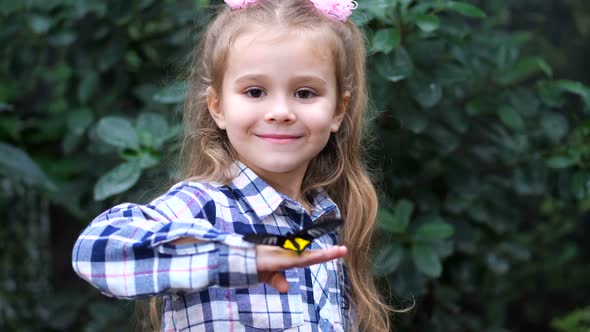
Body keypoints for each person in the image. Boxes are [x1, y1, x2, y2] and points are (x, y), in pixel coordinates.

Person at [72, 0, 392, 330]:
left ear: (339, 110)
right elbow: (96, 251)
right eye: (255, 92)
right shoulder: (208, 206)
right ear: (217, 106)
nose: (280, 111)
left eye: (305, 93)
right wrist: (232, 259)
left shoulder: (324, 221)